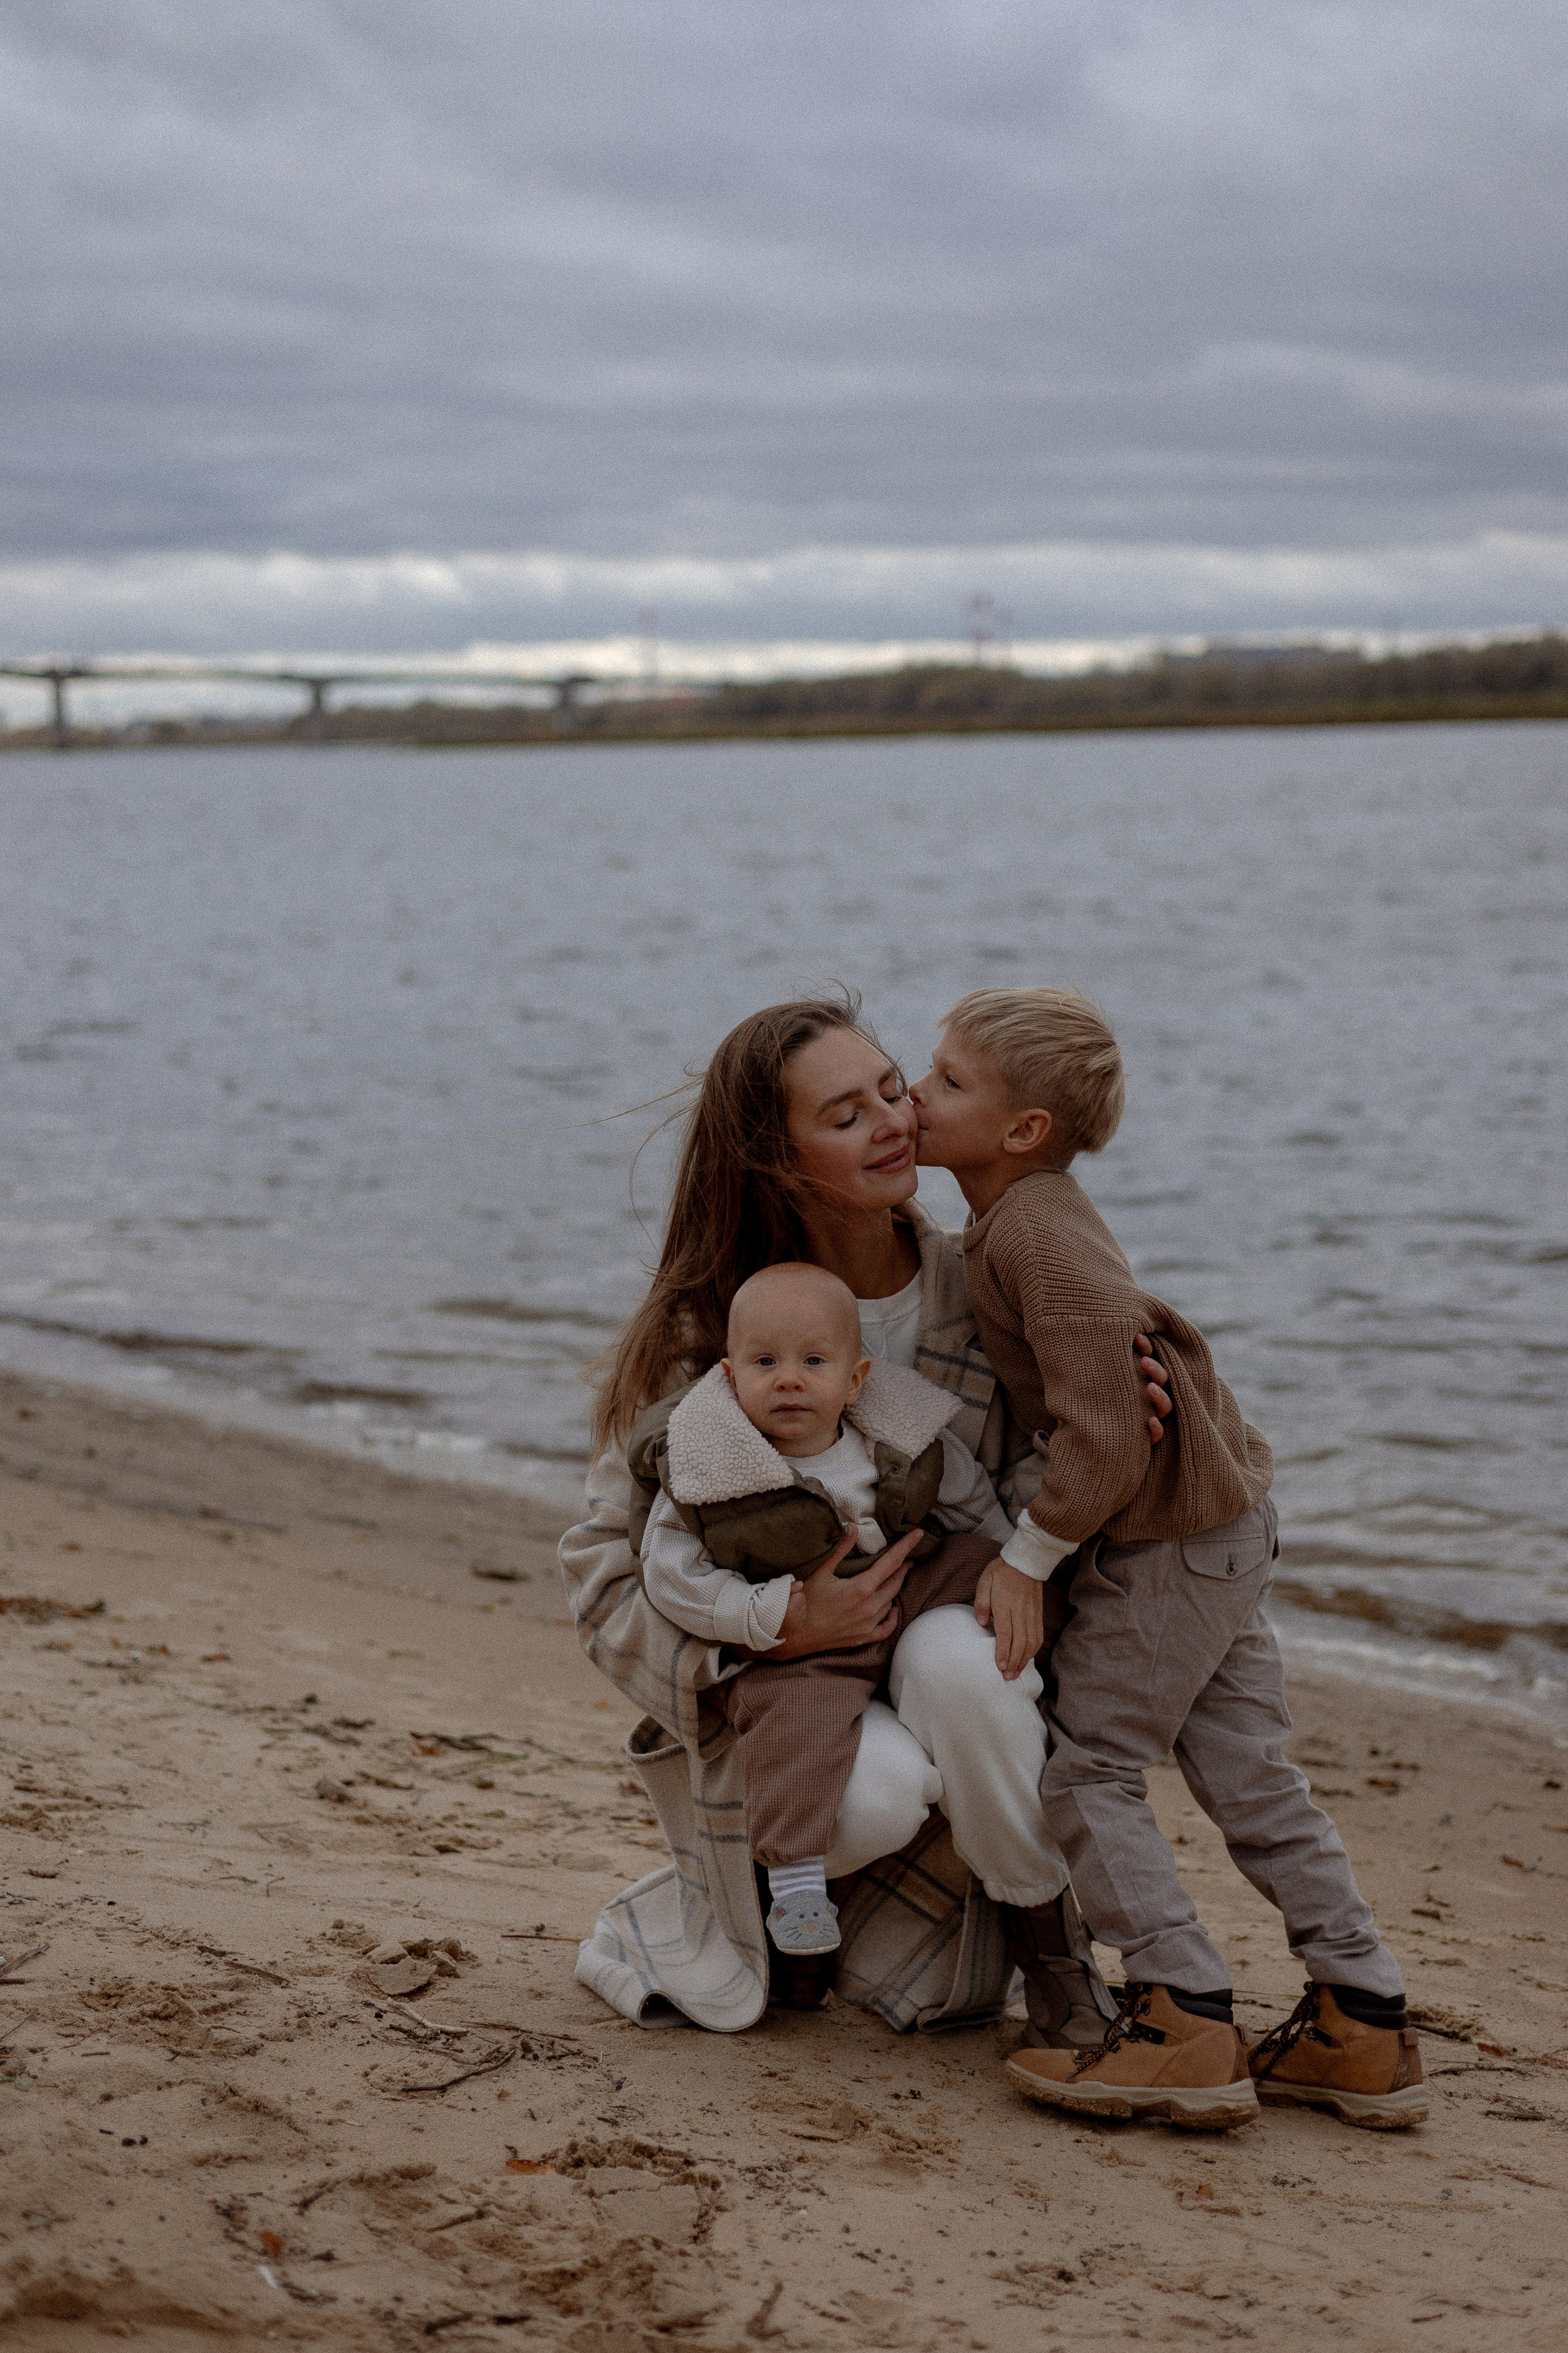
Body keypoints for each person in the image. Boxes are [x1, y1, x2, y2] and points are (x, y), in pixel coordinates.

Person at [560, 992, 1171, 2041]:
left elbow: (1041, 1503)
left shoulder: (992, 1288)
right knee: (869, 1798)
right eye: (845, 1116)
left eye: (895, 1088)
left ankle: (1050, 1942)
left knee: (959, 1663)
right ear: (776, 1157)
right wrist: (773, 1627)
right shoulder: (718, 1331)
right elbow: (602, 1576)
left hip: (956, 1645)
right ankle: (778, 1899)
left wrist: (1132, 1423)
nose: (894, 1120)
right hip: (786, 1689)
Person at [910, 986, 1423, 2130]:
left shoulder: (1038, 1229)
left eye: (946, 1079)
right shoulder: (1019, 1218)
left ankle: (1180, 2013)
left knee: (1088, 1767)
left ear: (1022, 1130)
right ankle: (1365, 2016)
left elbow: (1107, 1429)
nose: (914, 1087)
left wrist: (1029, 1559)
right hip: (1218, 1528)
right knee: (1250, 1773)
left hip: (1166, 1542)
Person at [636, 1260, 1014, 1957]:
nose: (789, 1378)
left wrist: (1010, 1565)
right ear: (728, 1375)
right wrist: (761, 1614)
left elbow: (970, 1501)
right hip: (804, 1634)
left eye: (814, 1361)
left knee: (981, 1566)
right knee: (793, 1726)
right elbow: (669, 1572)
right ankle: (796, 1881)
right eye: (764, 1362)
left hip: (905, 1588)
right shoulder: (714, 1468)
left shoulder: (896, 1440)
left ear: (856, 1380)